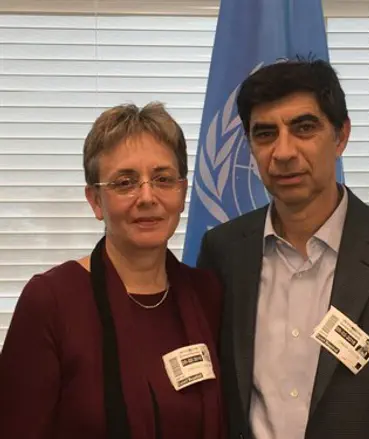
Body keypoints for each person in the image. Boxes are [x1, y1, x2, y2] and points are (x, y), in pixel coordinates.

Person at [196, 59, 369, 439]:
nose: (284, 152)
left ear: (341, 136)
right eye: (265, 134)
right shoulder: (223, 251)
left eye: (304, 128)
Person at [0, 103, 227, 439]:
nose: (147, 197)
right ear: (95, 200)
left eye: (163, 179)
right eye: (125, 182)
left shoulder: (207, 293)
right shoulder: (51, 301)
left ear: (181, 192)